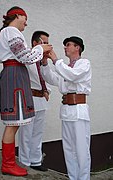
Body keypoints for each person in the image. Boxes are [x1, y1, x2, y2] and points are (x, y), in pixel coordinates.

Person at [0, 6, 52, 177]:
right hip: (14, 75)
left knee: (15, 123)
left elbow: (21, 56)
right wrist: (41, 49)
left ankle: (8, 163)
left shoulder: (8, 32)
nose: (26, 22)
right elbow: (24, 56)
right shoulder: (11, 31)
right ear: (18, 15)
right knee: (13, 123)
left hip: (15, 74)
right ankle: (8, 164)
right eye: (25, 18)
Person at [41, 36, 92, 180]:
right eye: (65, 45)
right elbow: (52, 78)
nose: (65, 47)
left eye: (68, 45)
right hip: (67, 111)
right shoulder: (65, 68)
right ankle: (72, 177)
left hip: (79, 110)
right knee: (68, 148)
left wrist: (56, 60)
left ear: (77, 48)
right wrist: (45, 64)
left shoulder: (84, 63)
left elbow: (73, 76)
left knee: (81, 149)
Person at [18, 31, 50, 171]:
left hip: (41, 99)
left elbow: (47, 78)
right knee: (26, 132)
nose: (47, 45)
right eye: (44, 42)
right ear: (35, 44)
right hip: (29, 98)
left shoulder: (44, 61)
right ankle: (25, 161)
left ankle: (36, 160)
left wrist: (47, 90)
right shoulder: (27, 57)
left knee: (38, 132)